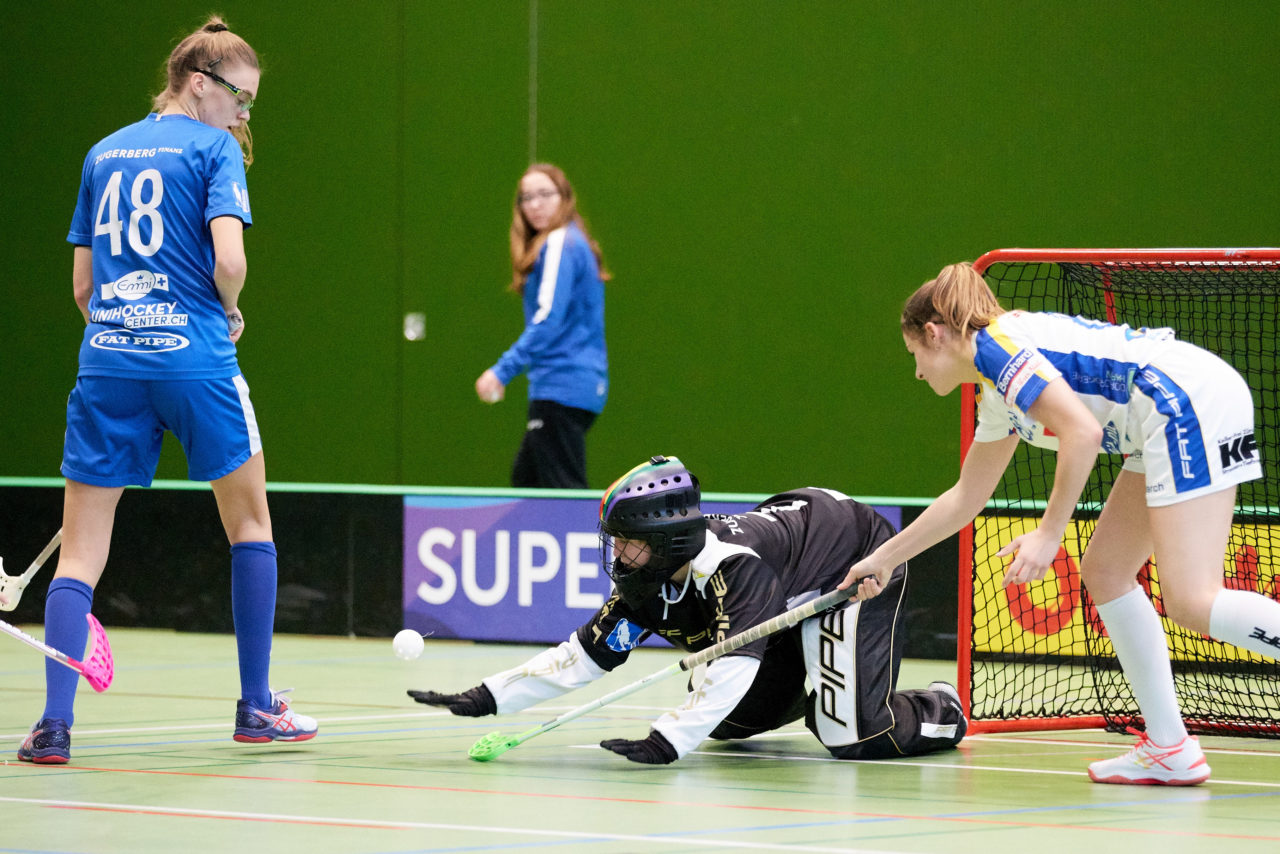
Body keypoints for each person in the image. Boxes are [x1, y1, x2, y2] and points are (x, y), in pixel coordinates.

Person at [841, 261, 1280, 786]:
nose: (917, 371)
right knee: (1108, 572)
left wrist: (1050, 533)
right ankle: (1169, 747)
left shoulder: (998, 348)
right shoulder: (997, 389)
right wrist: (883, 559)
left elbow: (1083, 433)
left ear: (933, 334)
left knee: (1192, 599)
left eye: (914, 355)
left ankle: (1169, 745)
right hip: (1164, 414)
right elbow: (965, 498)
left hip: (1181, 400)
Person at [18, 17, 317, 764]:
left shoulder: (101, 152)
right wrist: (228, 310)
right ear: (198, 83)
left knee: (80, 557)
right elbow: (231, 261)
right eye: (240, 99)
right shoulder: (215, 151)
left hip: (107, 363)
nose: (244, 116)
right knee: (251, 527)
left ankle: (54, 727)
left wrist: (123, 330)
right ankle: (256, 707)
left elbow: (84, 285)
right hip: (197, 362)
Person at [409, 455, 967, 764]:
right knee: (727, 722)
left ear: (669, 540)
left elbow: (732, 669)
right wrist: (489, 697)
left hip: (851, 560)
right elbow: (588, 655)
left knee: (855, 736)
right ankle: (824, 680)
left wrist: (667, 740)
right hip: (790, 578)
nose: (618, 553)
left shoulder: (735, 570)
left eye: (628, 541)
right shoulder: (645, 582)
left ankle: (939, 707)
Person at [474, 164, 609, 489]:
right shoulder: (574, 243)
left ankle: (591, 541)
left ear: (564, 197)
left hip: (562, 387)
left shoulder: (561, 243)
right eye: (526, 197)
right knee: (528, 481)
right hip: (573, 387)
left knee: (563, 493)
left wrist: (501, 371)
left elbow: (547, 319)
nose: (534, 204)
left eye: (544, 194)